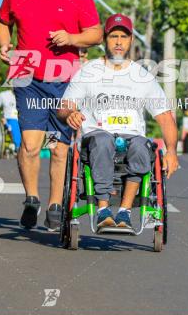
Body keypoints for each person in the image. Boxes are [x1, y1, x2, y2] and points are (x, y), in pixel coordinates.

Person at [0, 0, 102, 231]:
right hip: (26, 74)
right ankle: (32, 198)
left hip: (64, 79)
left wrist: (71, 38)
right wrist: (4, 44)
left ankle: (56, 204)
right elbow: (2, 22)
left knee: (58, 147)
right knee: (30, 145)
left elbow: (96, 33)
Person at [58, 14, 179, 230]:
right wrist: (69, 115)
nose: (118, 42)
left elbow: (165, 116)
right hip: (96, 136)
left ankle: (124, 212)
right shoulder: (88, 72)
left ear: (131, 40)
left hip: (132, 137)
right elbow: (65, 105)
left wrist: (171, 151)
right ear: (105, 39)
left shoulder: (142, 76)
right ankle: (104, 210)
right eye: (114, 36)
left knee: (143, 146)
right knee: (103, 141)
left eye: (124, 36)